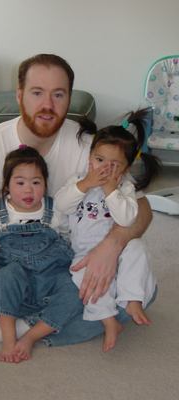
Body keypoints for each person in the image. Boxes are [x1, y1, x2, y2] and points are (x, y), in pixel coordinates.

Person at [0, 53, 156, 348]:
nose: (47, 105)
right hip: (9, 269)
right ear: (20, 95)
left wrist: (109, 248)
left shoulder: (91, 147)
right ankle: (60, 316)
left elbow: (142, 211)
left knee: (140, 289)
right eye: (37, 93)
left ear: (69, 98)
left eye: (58, 94)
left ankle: (15, 323)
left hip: (68, 266)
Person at [55, 109, 161, 352]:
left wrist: (111, 191)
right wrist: (84, 185)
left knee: (138, 249)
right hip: (84, 252)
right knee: (81, 277)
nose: (104, 168)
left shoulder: (125, 187)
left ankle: (132, 299)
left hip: (119, 246)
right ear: (90, 158)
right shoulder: (78, 179)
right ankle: (107, 318)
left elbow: (127, 219)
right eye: (100, 160)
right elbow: (62, 205)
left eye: (114, 165)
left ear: (125, 169)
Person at [0, 146, 82, 362]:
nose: (28, 190)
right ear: (7, 185)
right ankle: (9, 338)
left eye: (36, 183)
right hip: (16, 275)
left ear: (45, 184)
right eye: (20, 183)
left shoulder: (54, 208)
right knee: (1, 277)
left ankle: (30, 335)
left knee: (78, 290)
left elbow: (68, 235)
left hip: (52, 275)